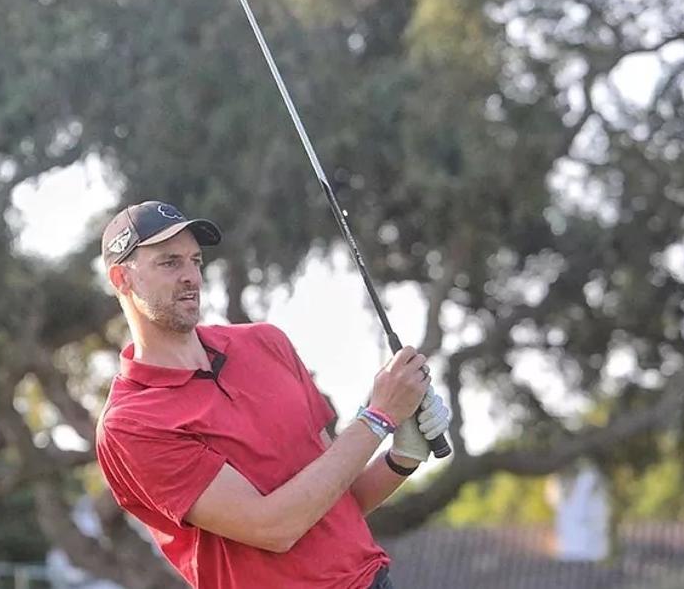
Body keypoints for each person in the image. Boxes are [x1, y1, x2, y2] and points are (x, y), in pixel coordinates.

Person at [94, 200, 452, 589]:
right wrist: (379, 417)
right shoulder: (130, 422)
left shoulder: (266, 342)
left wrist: (403, 456)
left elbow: (337, 498)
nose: (191, 276)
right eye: (169, 262)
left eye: (195, 260)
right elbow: (274, 526)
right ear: (121, 279)